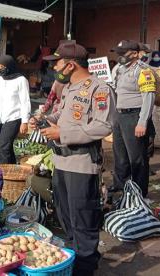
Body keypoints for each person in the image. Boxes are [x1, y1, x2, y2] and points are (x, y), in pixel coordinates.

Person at [31, 41, 113, 276]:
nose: (53, 67)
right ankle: (74, 258)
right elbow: (62, 115)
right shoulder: (67, 88)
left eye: (56, 62)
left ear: (69, 65)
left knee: (83, 218)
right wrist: (46, 119)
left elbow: (103, 126)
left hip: (81, 163)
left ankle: (85, 267)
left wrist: (62, 133)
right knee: (65, 215)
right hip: (61, 162)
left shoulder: (99, 89)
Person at [109, 40, 156, 196]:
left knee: (137, 158)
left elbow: (148, 98)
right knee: (120, 155)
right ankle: (120, 187)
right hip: (120, 116)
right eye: (119, 53)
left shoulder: (144, 71)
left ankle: (138, 193)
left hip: (134, 116)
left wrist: (142, 122)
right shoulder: (120, 69)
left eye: (124, 53)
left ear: (135, 54)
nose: (120, 56)